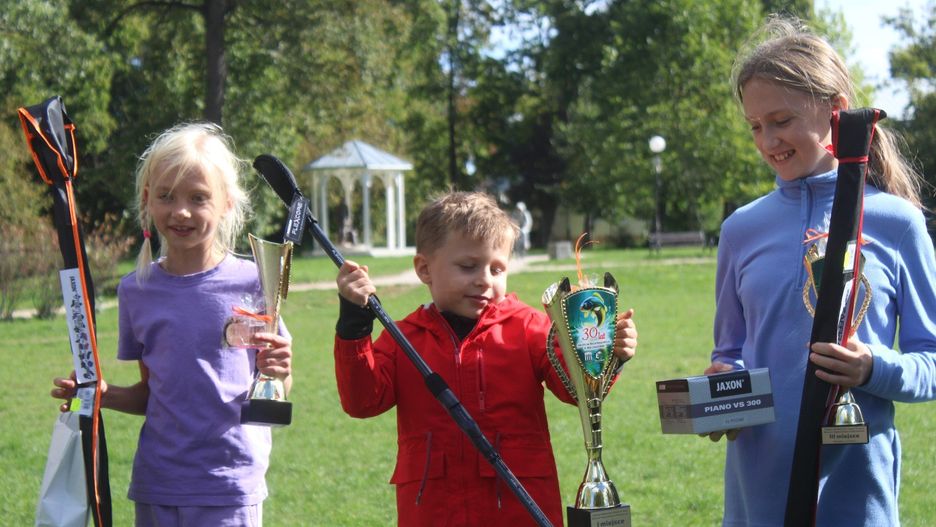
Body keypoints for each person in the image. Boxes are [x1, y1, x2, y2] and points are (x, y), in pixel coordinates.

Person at [706, 16, 936, 526]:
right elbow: (730, 353)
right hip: (758, 495)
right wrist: (723, 394)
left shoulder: (898, 223)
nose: (768, 141)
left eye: (781, 120)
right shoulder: (740, 229)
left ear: (833, 112)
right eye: (756, 126)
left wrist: (873, 367)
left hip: (858, 499)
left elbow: (932, 361)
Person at [334, 191, 638, 526]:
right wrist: (353, 325)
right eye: (468, 266)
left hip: (519, 510)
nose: (484, 280)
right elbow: (363, 401)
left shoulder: (530, 327)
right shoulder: (402, 337)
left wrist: (607, 356)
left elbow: (573, 390)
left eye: (497, 269)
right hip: (433, 513)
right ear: (424, 268)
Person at [51, 122, 293, 527]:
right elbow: (153, 396)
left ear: (227, 203)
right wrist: (97, 395)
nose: (180, 211)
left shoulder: (256, 282)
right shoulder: (137, 290)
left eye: (198, 198)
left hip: (229, 486)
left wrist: (281, 372)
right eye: (166, 196)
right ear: (148, 200)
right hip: (158, 485)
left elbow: (277, 390)